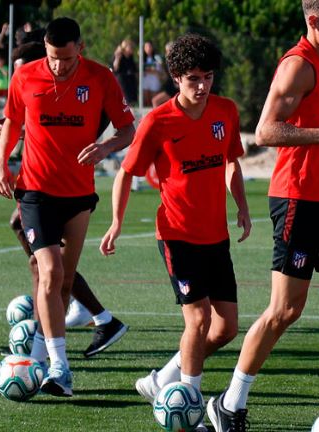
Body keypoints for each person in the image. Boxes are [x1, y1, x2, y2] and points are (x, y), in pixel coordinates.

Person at [207, 1, 319, 431]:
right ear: (313, 22)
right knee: (285, 310)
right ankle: (230, 403)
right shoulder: (296, 66)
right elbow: (265, 131)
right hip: (297, 200)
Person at [100, 34, 250, 432]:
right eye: (193, 79)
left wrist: (243, 207)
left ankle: (162, 380)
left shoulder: (225, 111)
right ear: (176, 78)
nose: (202, 87)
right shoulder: (158, 121)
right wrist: (116, 222)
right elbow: (125, 173)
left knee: (227, 328)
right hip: (177, 235)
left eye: (208, 77)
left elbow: (233, 162)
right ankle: (189, 409)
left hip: (215, 236)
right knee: (198, 319)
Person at [0, 17, 136, 397]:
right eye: (54, 58)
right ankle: (61, 367)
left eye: (67, 59)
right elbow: (11, 121)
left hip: (78, 194)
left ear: (81, 48)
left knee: (64, 282)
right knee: (50, 271)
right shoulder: (25, 78)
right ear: (46, 48)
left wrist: (106, 147)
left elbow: (127, 129)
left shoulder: (101, 77)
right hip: (35, 191)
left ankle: (38, 355)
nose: (59, 66)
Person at [113, 39, 138, 106]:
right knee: (125, 98)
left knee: (132, 99)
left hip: (130, 79)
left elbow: (134, 69)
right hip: (122, 79)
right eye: (129, 47)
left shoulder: (130, 57)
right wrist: (117, 57)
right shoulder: (119, 56)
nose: (131, 49)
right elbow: (115, 67)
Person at [141, 41, 165, 106]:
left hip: (154, 80)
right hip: (145, 80)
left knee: (154, 99)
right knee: (146, 100)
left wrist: (152, 71)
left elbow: (160, 69)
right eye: (146, 47)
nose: (148, 48)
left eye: (149, 46)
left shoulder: (157, 57)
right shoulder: (141, 58)